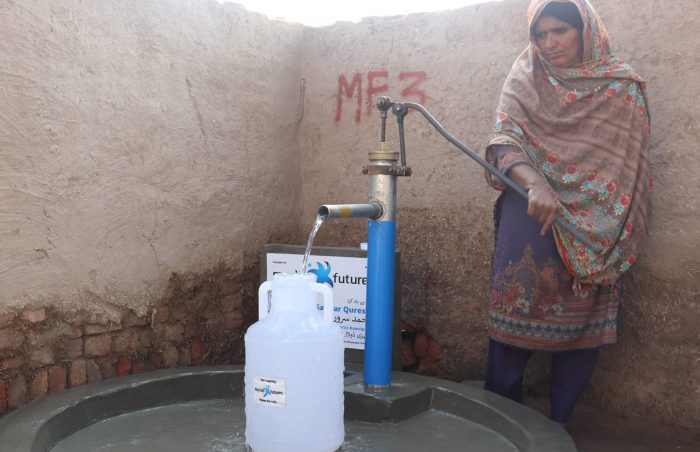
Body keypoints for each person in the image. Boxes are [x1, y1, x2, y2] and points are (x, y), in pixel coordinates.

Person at [483, 0, 651, 425]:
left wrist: (603, 220)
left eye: (560, 31)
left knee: (582, 335)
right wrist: (535, 183)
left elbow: (629, 167)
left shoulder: (621, 86)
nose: (548, 43)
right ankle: (504, 425)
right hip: (532, 211)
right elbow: (503, 140)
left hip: (598, 227)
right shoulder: (526, 74)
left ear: (586, 30)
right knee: (511, 318)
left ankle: (558, 426)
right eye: (540, 34)